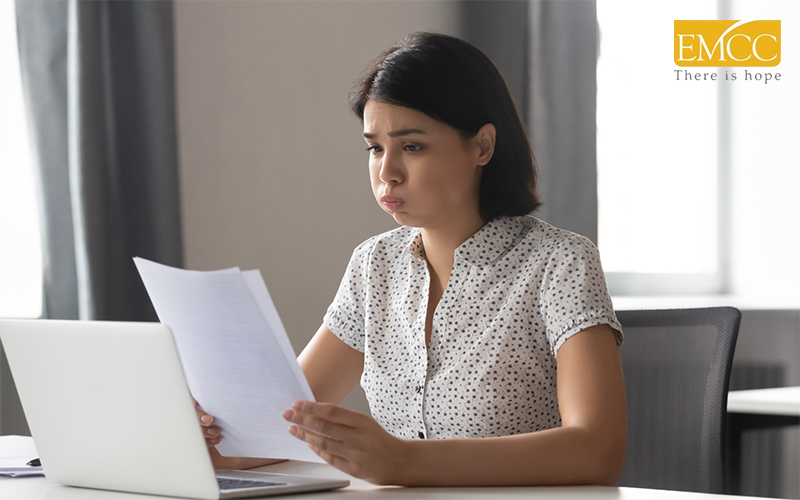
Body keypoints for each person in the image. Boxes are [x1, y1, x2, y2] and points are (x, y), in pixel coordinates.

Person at [197, 31, 627, 487]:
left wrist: (404, 462)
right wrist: (219, 445)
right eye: (375, 147)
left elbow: (596, 450)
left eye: (412, 146)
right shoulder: (374, 265)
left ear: (482, 146)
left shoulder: (560, 263)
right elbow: (284, 425)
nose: (387, 173)